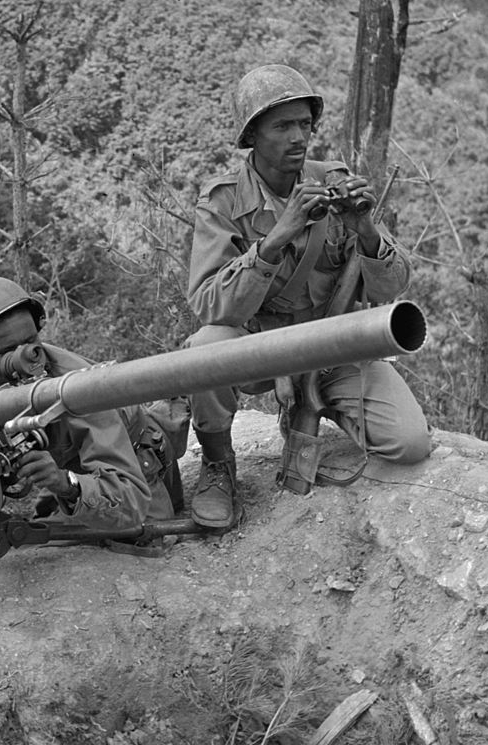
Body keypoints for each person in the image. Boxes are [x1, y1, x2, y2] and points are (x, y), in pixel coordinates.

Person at [184, 64, 431, 529]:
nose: (299, 137)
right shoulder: (222, 203)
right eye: (282, 126)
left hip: (329, 344)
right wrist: (275, 240)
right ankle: (218, 466)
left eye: (304, 124)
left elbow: (392, 287)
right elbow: (209, 304)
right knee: (205, 349)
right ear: (252, 135)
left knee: (409, 443)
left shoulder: (334, 182)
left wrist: (365, 230)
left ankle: (310, 401)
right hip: (260, 347)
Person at [0, 276, 184, 553]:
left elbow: (131, 501)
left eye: (31, 341)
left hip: (135, 473)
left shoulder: (79, 389)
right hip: (74, 465)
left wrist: (66, 484)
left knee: (129, 544)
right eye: (8, 351)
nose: (28, 357)